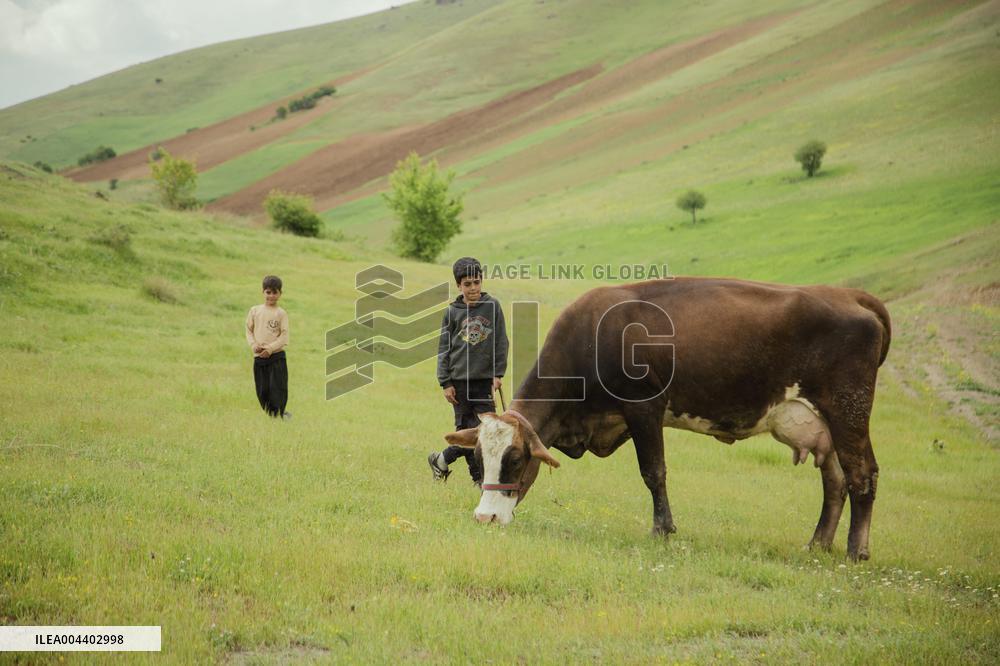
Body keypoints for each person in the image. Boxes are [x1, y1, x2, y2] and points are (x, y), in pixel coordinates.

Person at [428, 257, 508, 485]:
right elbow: (444, 348)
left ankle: (442, 459)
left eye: (476, 282)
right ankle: (479, 480)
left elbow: (501, 342)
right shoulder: (452, 312)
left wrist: (498, 373)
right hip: (458, 382)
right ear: (458, 285)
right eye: (467, 284)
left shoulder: (492, 306)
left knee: (486, 431)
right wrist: (445, 382)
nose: (473, 288)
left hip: (484, 381)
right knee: (465, 430)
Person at [246, 275, 290, 419]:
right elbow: (249, 330)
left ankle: (279, 415)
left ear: (280, 293)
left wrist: (270, 349)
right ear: (263, 292)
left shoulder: (281, 313)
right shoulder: (254, 311)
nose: (271, 296)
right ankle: (272, 415)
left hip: (276, 357)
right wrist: (254, 345)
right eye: (268, 292)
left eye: (274, 292)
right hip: (259, 357)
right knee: (262, 390)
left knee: (277, 388)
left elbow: (284, 336)